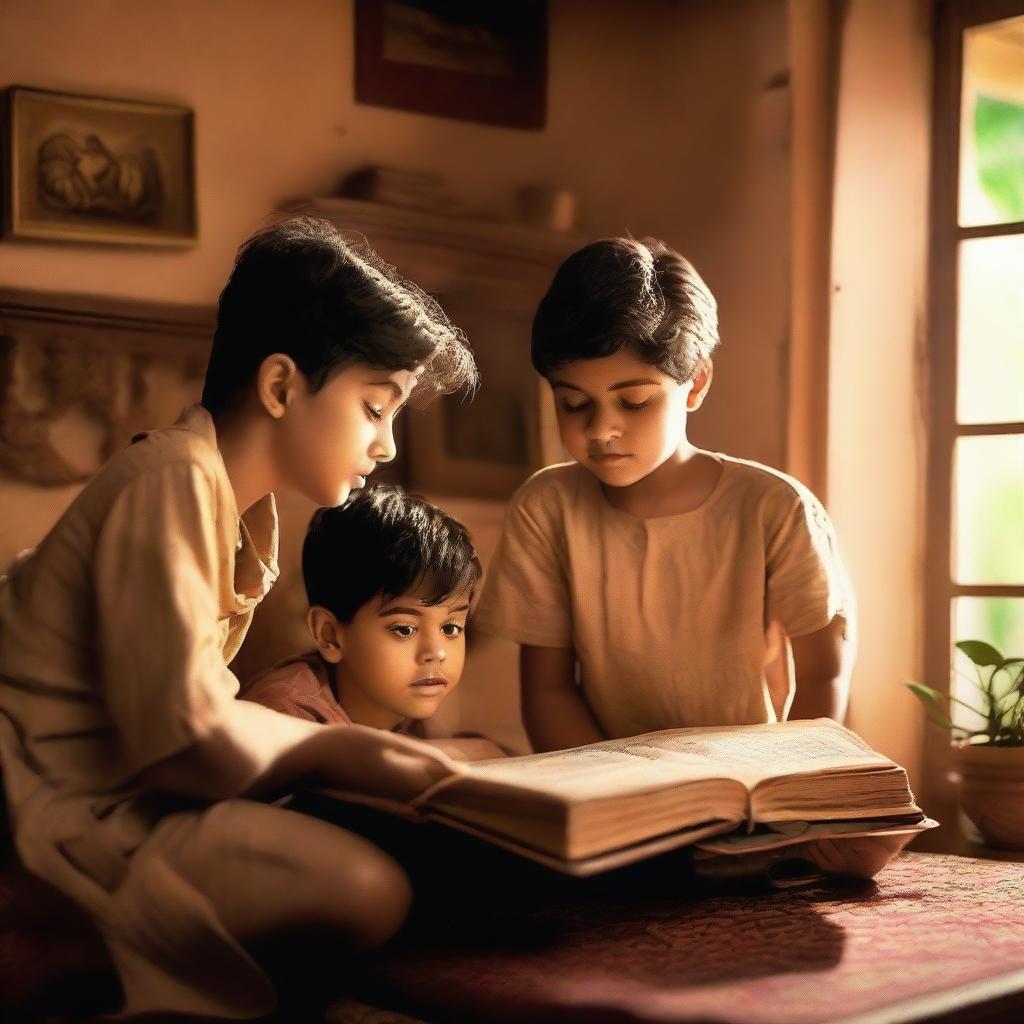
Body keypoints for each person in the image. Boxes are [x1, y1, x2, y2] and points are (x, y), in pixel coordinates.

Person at [0, 216, 477, 1018]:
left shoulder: (236, 510)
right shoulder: (171, 478)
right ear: (283, 386)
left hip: (124, 799)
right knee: (367, 888)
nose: (388, 444)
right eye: (374, 407)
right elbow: (187, 740)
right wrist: (353, 755)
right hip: (57, 812)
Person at [473, 236, 855, 753]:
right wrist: (617, 791)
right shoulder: (547, 508)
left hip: (753, 782)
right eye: (573, 403)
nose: (601, 429)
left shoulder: (773, 508)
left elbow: (823, 675)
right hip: (609, 788)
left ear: (695, 383)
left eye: (633, 402)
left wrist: (784, 791)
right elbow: (548, 691)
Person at [242, 484, 504, 762]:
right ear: (329, 634)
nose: (436, 652)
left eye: (450, 628)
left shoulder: (406, 711)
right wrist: (446, 754)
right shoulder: (284, 711)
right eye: (404, 629)